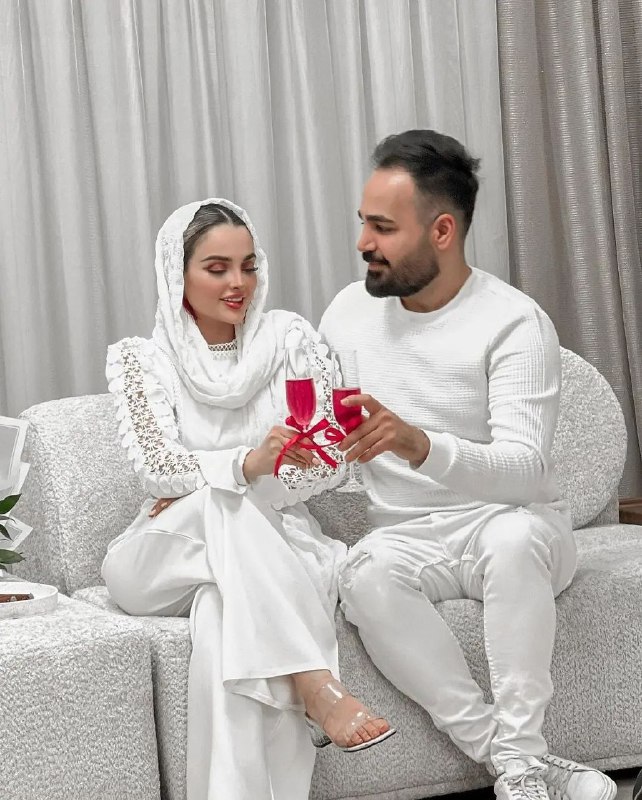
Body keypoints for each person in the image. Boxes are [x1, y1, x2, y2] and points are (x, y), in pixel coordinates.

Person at [319, 130, 616, 800]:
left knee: (511, 540)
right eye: (363, 221)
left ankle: (522, 765)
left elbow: (523, 470)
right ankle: (515, 763)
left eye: (383, 227)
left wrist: (418, 444)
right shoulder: (345, 314)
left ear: (443, 230)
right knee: (361, 576)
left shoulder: (514, 322)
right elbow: (329, 441)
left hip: (513, 522)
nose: (363, 241)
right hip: (406, 535)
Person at [101, 199, 394, 800]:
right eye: (216, 268)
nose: (238, 283)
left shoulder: (288, 340)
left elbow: (331, 458)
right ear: (176, 274)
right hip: (159, 555)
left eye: (249, 265)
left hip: (266, 546)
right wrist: (245, 466)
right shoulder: (142, 358)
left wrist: (237, 478)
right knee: (222, 503)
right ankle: (315, 683)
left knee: (220, 617)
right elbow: (158, 468)